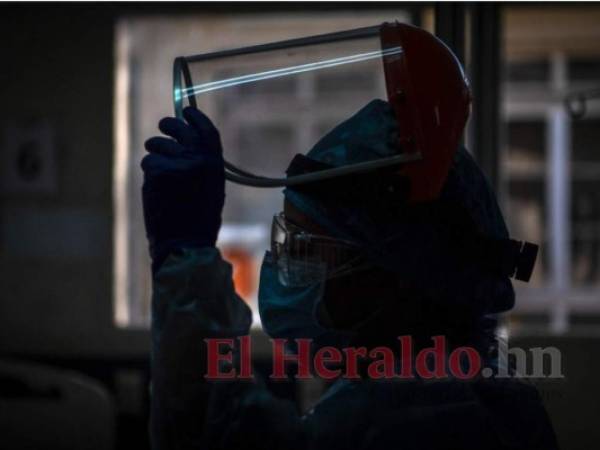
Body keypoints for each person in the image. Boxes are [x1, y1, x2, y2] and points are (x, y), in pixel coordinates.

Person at [141, 99, 559, 450]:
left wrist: (187, 263)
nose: (284, 267)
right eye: (287, 244)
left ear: (393, 274)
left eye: (306, 249)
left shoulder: (424, 422)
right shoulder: (420, 388)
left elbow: (216, 435)